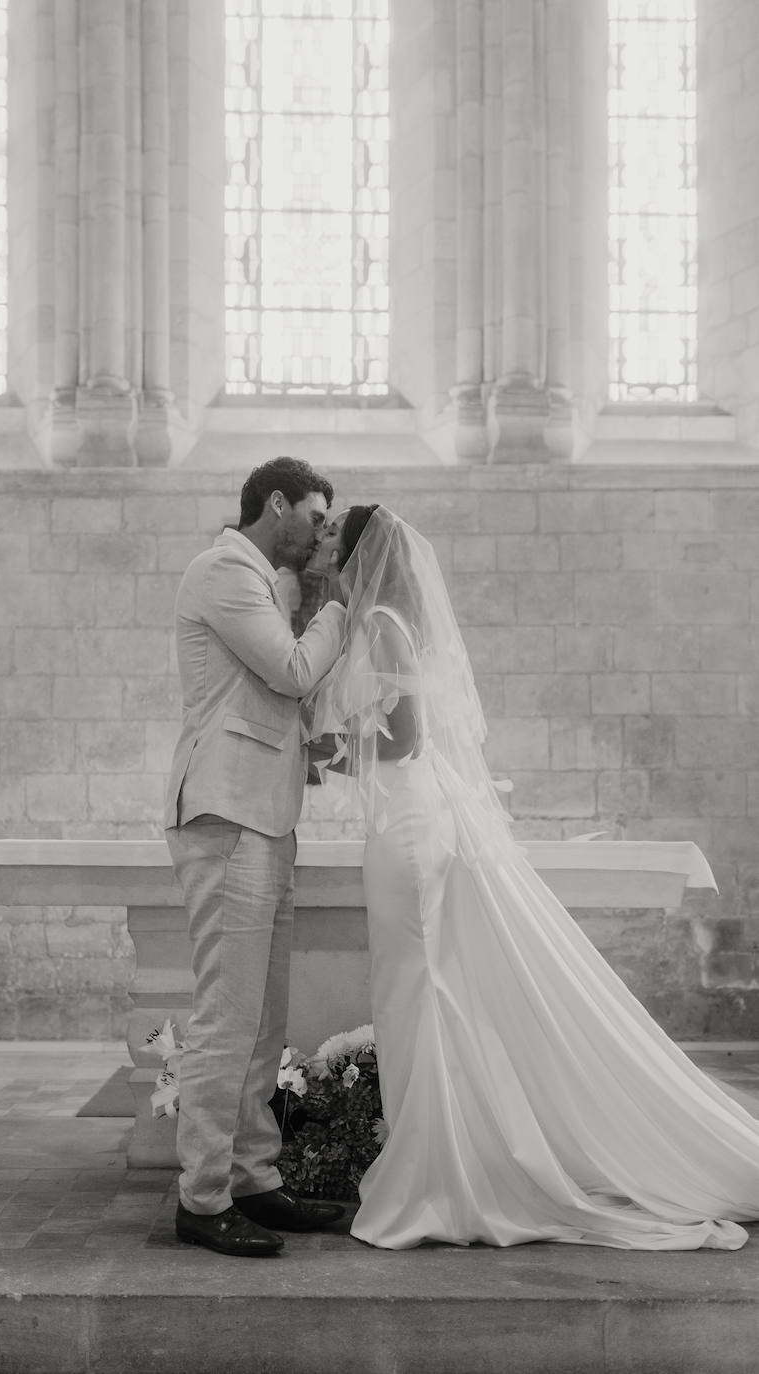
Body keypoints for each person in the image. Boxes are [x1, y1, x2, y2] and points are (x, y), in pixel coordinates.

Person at [305, 504, 759, 1251]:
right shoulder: (381, 619)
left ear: (358, 556)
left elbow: (407, 737)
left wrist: (327, 757)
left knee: (421, 994)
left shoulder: (381, 621)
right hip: (407, 824)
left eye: (333, 538)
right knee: (418, 996)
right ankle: (440, 1161)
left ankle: (438, 1179)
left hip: (412, 831)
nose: (324, 547)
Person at [164, 457, 347, 1258]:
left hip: (268, 817)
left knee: (264, 1021)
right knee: (226, 1020)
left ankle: (254, 1179)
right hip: (228, 813)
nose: (317, 533)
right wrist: (337, 601)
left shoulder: (267, 585)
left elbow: (283, 699)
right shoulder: (223, 570)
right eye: (312, 515)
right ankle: (202, 1199)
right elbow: (295, 668)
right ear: (275, 503)